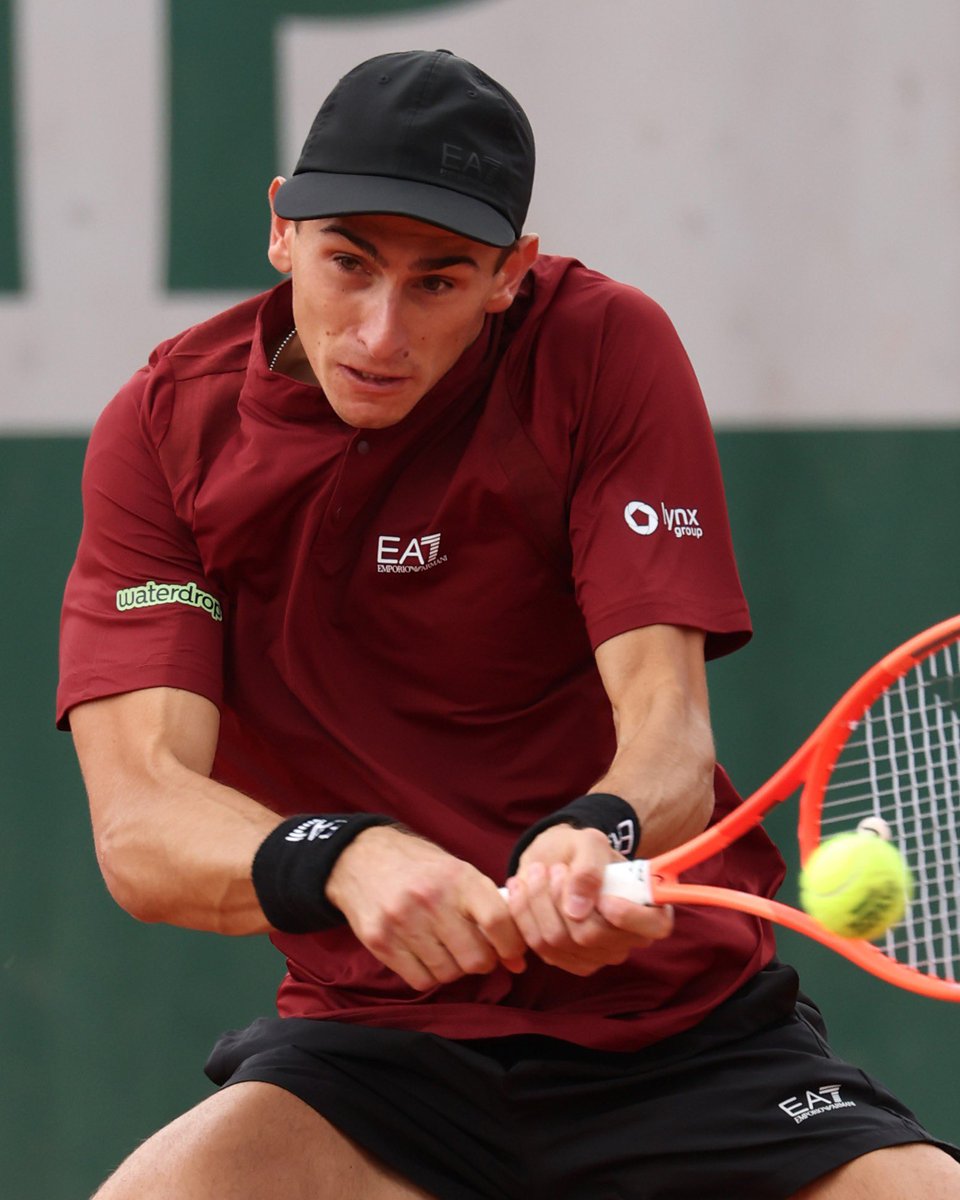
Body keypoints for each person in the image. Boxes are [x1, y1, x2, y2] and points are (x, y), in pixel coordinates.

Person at [58, 48, 959, 1200]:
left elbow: (668, 734)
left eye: (437, 282)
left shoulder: (602, 348)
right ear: (281, 229)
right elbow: (141, 825)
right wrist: (344, 859)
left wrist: (601, 830)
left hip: (683, 1039)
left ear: (509, 274)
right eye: (348, 265)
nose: (380, 333)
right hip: (374, 1056)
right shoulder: (163, 433)